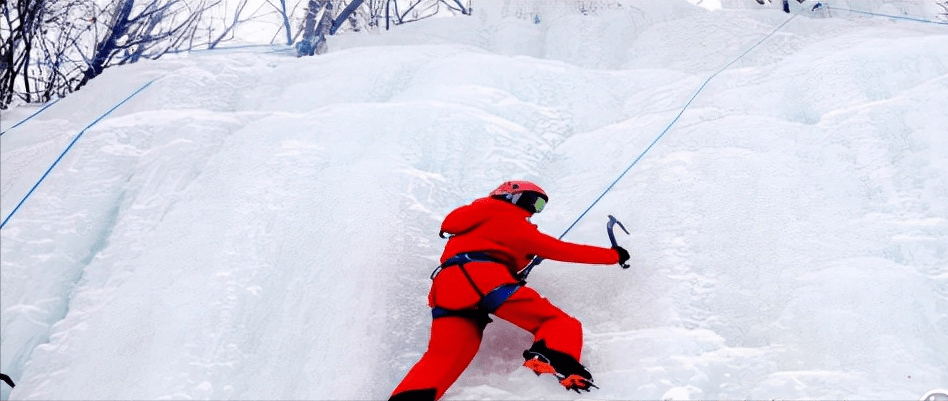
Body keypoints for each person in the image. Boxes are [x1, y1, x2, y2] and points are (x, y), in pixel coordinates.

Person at [389, 180, 630, 401]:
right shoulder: (505, 215)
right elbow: (560, 249)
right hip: (482, 278)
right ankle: (553, 358)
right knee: (557, 321)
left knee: (443, 357)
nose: (534, 210)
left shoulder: (469, 224)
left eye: (540, 205)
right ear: (511, 196)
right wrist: (613, 255)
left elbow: (490, 247)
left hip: (447, 288)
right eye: (532, 201)